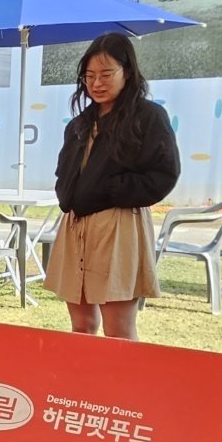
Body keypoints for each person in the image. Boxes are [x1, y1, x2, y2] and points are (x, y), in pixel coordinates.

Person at [43, 33, 180, 340]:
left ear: (127, 72)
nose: (97, 83)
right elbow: (65, 170)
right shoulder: (79, 123)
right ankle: (81, 388)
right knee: (81, 328)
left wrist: (112, 190)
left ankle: (122, 388)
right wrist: (68, 194)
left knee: (118, 330)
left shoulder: (148, 116)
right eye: (89, 76)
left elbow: (164, 173)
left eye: (106, 74)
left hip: (118, 225)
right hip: (75, 225)